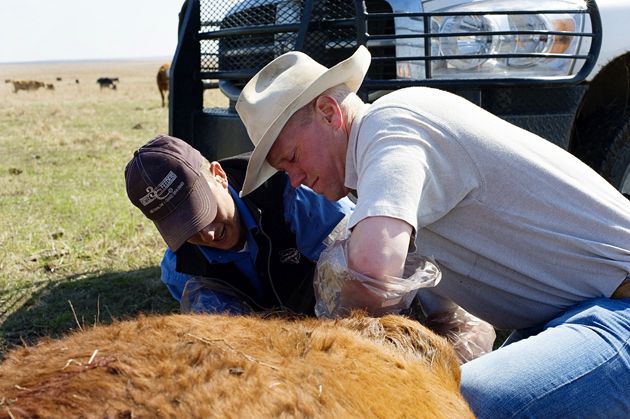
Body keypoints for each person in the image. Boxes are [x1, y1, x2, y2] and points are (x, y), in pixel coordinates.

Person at [234, 46, 630, 417]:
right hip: (575, 314)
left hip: (617, 311)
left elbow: (372, 270)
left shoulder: (392, 126)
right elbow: (451, 308)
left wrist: (322, 361)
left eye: (292, 159)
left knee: (457, 403)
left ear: (328, 112)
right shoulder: (382, 154)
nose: (296, 181)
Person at [124, 134, 354, 315]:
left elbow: (365, 274)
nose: (209, 234)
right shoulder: (182, 272)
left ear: (219, 176)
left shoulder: (300, 202)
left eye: (204, 212)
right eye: (188, 228)